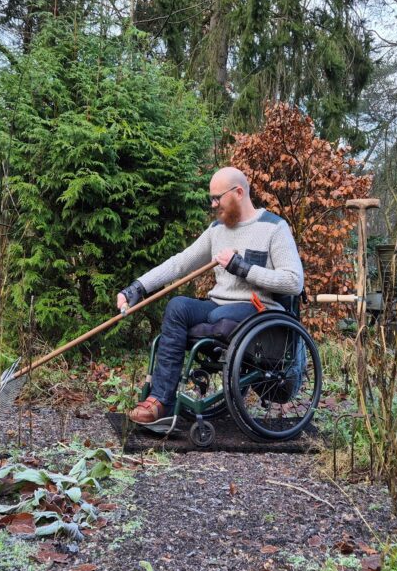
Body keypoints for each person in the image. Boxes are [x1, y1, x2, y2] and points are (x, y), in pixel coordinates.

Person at [116, 167, 304, 430]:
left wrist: (242, 267)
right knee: (178, 306)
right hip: (219, 306)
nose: (213, 205)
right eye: (211, 199)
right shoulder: (217, 230)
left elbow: (294, 282)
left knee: (218, 316)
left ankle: (163, 401)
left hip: (258, 310)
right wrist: (136, 288)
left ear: (239, 192)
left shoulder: (274, 228)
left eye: (218, 198)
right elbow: (180, 263)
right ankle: (160, 401)